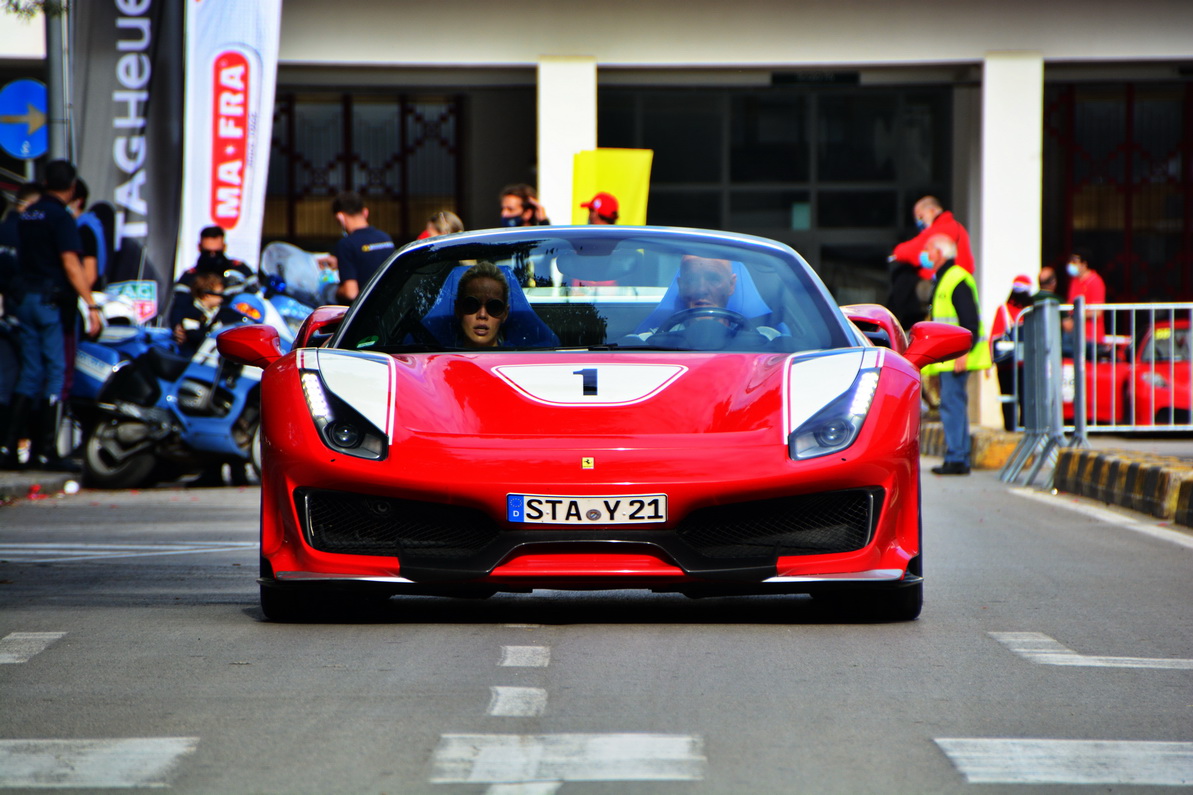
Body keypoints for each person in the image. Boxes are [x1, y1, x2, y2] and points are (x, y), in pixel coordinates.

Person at [1, 160, 101, 471]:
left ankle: (8, 446)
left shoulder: (27, 214)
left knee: (30, 372)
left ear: (45, 183)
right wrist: (91, 304)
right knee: (56, 372)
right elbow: (71, 263)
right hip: (51, 302)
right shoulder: (61, 217)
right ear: (72, 188)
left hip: (25, 299)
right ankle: (45, 451)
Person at [921, 234, 991, 476]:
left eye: (928, 249)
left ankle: (957, 458)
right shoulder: (942, 279)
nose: (925, 254)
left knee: (952, 406)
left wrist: (963, 353)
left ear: (940, 253)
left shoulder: (956, 278)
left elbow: (969, 320)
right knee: (953, 406)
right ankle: (958, 457)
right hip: (948, 357)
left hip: (957, 357)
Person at [319, 191, 394, 303]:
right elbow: (370, 261)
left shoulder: (346, 244)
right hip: (388, 305)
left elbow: (351, 293)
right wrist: (339, 262)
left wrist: (330, 290)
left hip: (365, 312)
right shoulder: (385, 238)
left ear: (340, 217)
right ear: (365, 212)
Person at [988, 274, 1033, 431]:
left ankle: (1011, 428)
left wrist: (991, 362)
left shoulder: (1004, 309)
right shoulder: (1031, 310)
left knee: (1009, 398)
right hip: (1023, 364)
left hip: (1008, 364)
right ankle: (1024, 429)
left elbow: (994, 337)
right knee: (1024, 398)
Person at [889, 195, 975, 277]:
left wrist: (897, 253)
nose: (920, 222)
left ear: (932, 211)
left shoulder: (941, 228)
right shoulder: (956, 226)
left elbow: (913, 250)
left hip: (950, 280)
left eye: (921, 217)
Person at [172, 272, 228, 359]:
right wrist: (212, 336)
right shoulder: (192, 312)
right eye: (219, 294)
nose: (222, 298)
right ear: (207, 295)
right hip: (192, 356)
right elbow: (193, 335)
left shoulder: (217, 312)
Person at [454, 261, 509, 348]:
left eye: (494, 307)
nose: (482, 315)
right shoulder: (434, 358)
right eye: (472, 305)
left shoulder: (524, 359)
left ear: (505, 314)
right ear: (457, 309)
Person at [1062, 248, 1106, 349]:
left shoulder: (1096, 282)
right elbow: (1070, 304)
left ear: (1084, 264)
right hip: (1073, 335)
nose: (1071, 264)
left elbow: (1097, 312)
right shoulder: (1074, 281)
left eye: (1075, 262)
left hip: (1090, 337)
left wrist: (1076, 316)